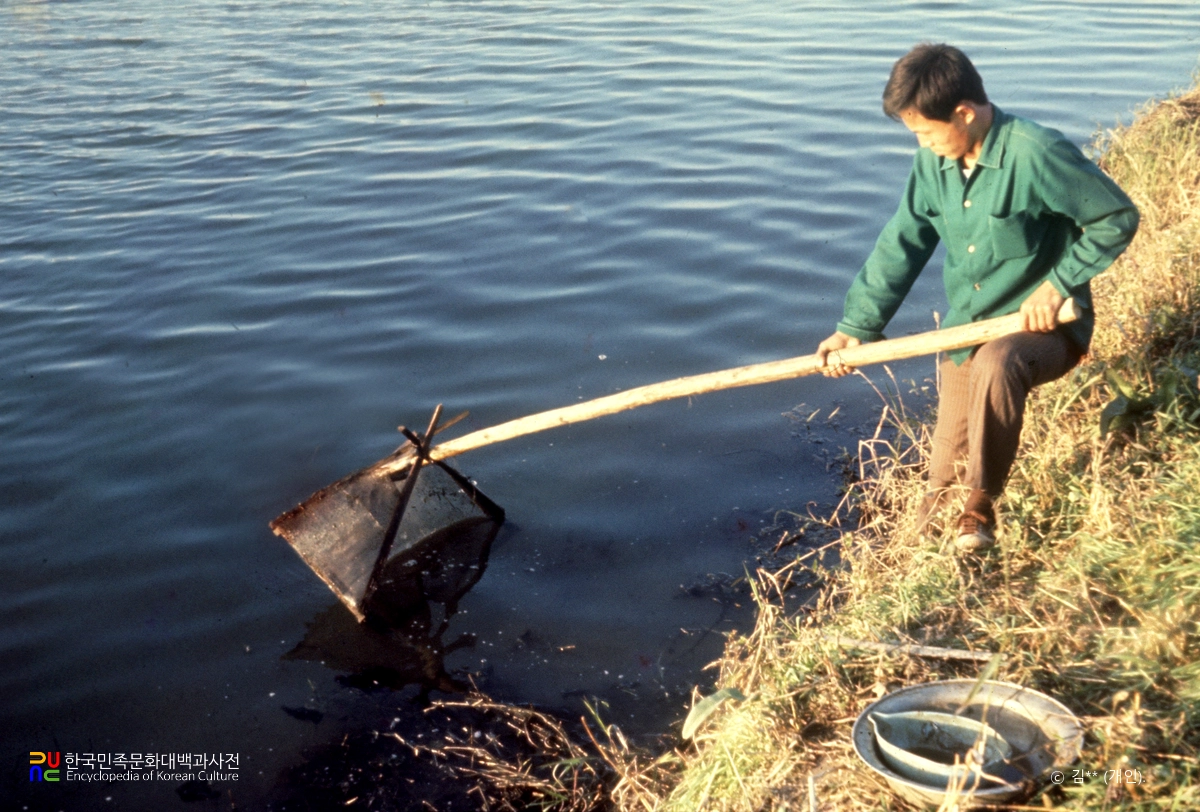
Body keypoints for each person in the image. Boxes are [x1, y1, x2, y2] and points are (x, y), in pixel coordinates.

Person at [815, 43, 1139, 551]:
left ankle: (981, 507)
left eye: (925, 131)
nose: (921, 143)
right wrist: (857, 328)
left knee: (999, 363)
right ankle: (925, 555)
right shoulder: (933, 165)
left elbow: (1115, 217)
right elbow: (901, 245)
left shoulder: (1036, 152)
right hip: (967, 331)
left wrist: (1056, 286)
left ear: (964, 112)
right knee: (939, 482)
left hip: (1047, 331)